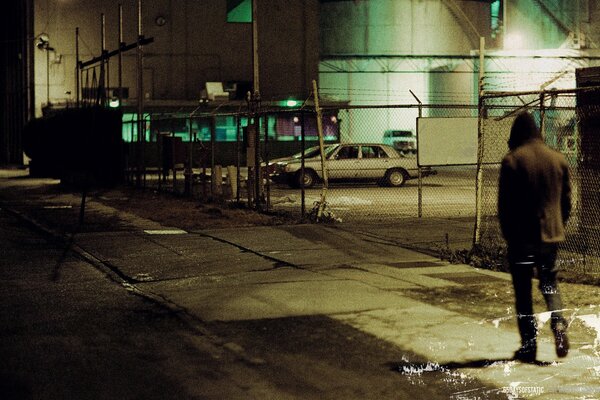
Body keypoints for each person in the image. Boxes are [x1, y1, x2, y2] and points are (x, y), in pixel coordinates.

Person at [498, 111, 572, 363]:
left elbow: (505, 206)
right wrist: (558, 225)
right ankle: (559, 325)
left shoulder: (512, 161)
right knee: (550, 283)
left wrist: (509, 235)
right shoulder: (558, 159)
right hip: (551, 236)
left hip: (522, 239)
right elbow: (567, 202)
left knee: (523, 293)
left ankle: (529, 347)